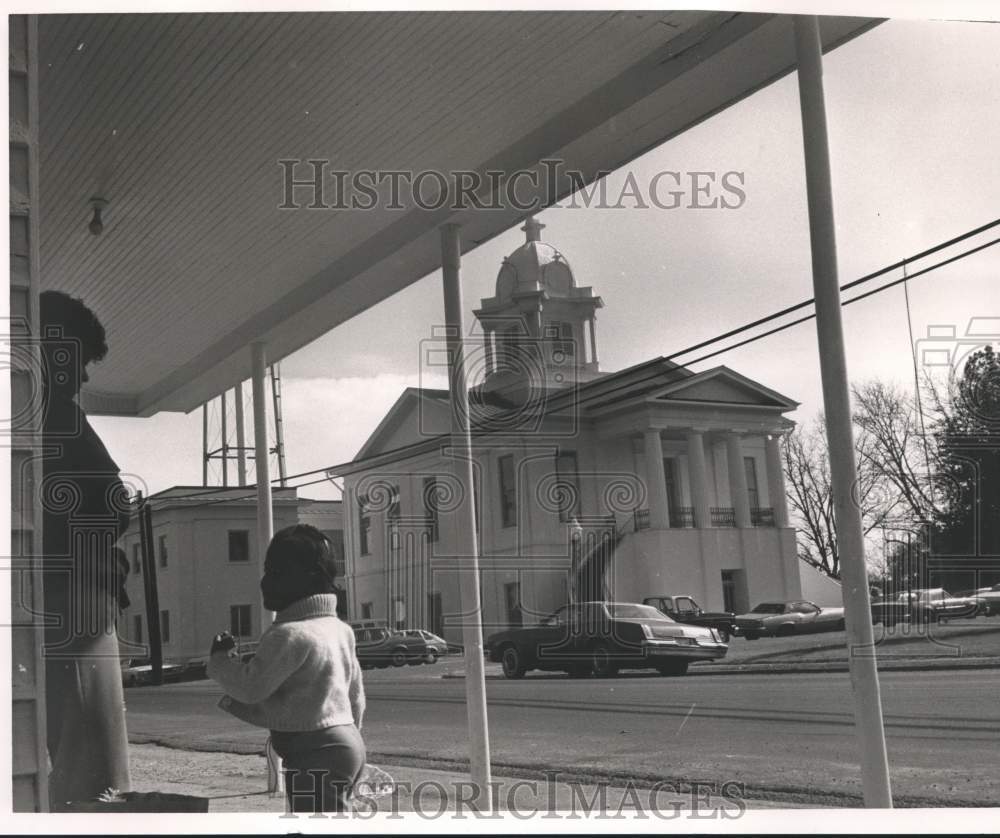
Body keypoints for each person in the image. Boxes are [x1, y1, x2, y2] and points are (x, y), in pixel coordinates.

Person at [39, 290, 132, 809]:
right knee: (96, 771)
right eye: (79, 359)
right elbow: (112, 502)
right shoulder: (56, 417)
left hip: (61, 597)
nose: (84, 376)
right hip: (75, 602)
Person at [208, 525, 366, 813]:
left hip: (314, 753)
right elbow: (356, 696)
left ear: (305, 579)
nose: (265, 581)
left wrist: (220, 662)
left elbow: (250, 687)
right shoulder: (339, 629)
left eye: (276, 572)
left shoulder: (289, 634)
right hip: (347, 742)